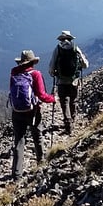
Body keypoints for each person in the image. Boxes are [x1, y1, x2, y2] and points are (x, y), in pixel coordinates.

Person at [9, 49, 56, 178]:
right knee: (37, 136)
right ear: (33, 62)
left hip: (16, 111)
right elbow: (41, 95)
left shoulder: (14, 72)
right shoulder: (35, 74)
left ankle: (16, 174)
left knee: (19, 141)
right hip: (32, 111)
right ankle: (40, 162)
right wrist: (53, 99)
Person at [49, 30, 89, 134]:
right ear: (71, 39)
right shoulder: (75, 48)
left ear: (61, 40)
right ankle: (73, 119)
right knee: (73, 100)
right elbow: (85, 64)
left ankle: (67, 122)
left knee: (64, 102)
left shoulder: (58, 49)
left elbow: (52, 67)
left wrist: (53, 73)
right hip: (74, 81)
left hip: (62, 81)